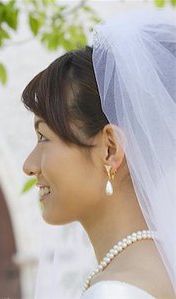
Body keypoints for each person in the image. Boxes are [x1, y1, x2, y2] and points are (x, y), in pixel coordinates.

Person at [22, 9, 176, 299]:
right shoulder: (163, 269)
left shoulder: (116, 291)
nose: (29, 166)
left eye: (44, 136)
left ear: (110, 149)